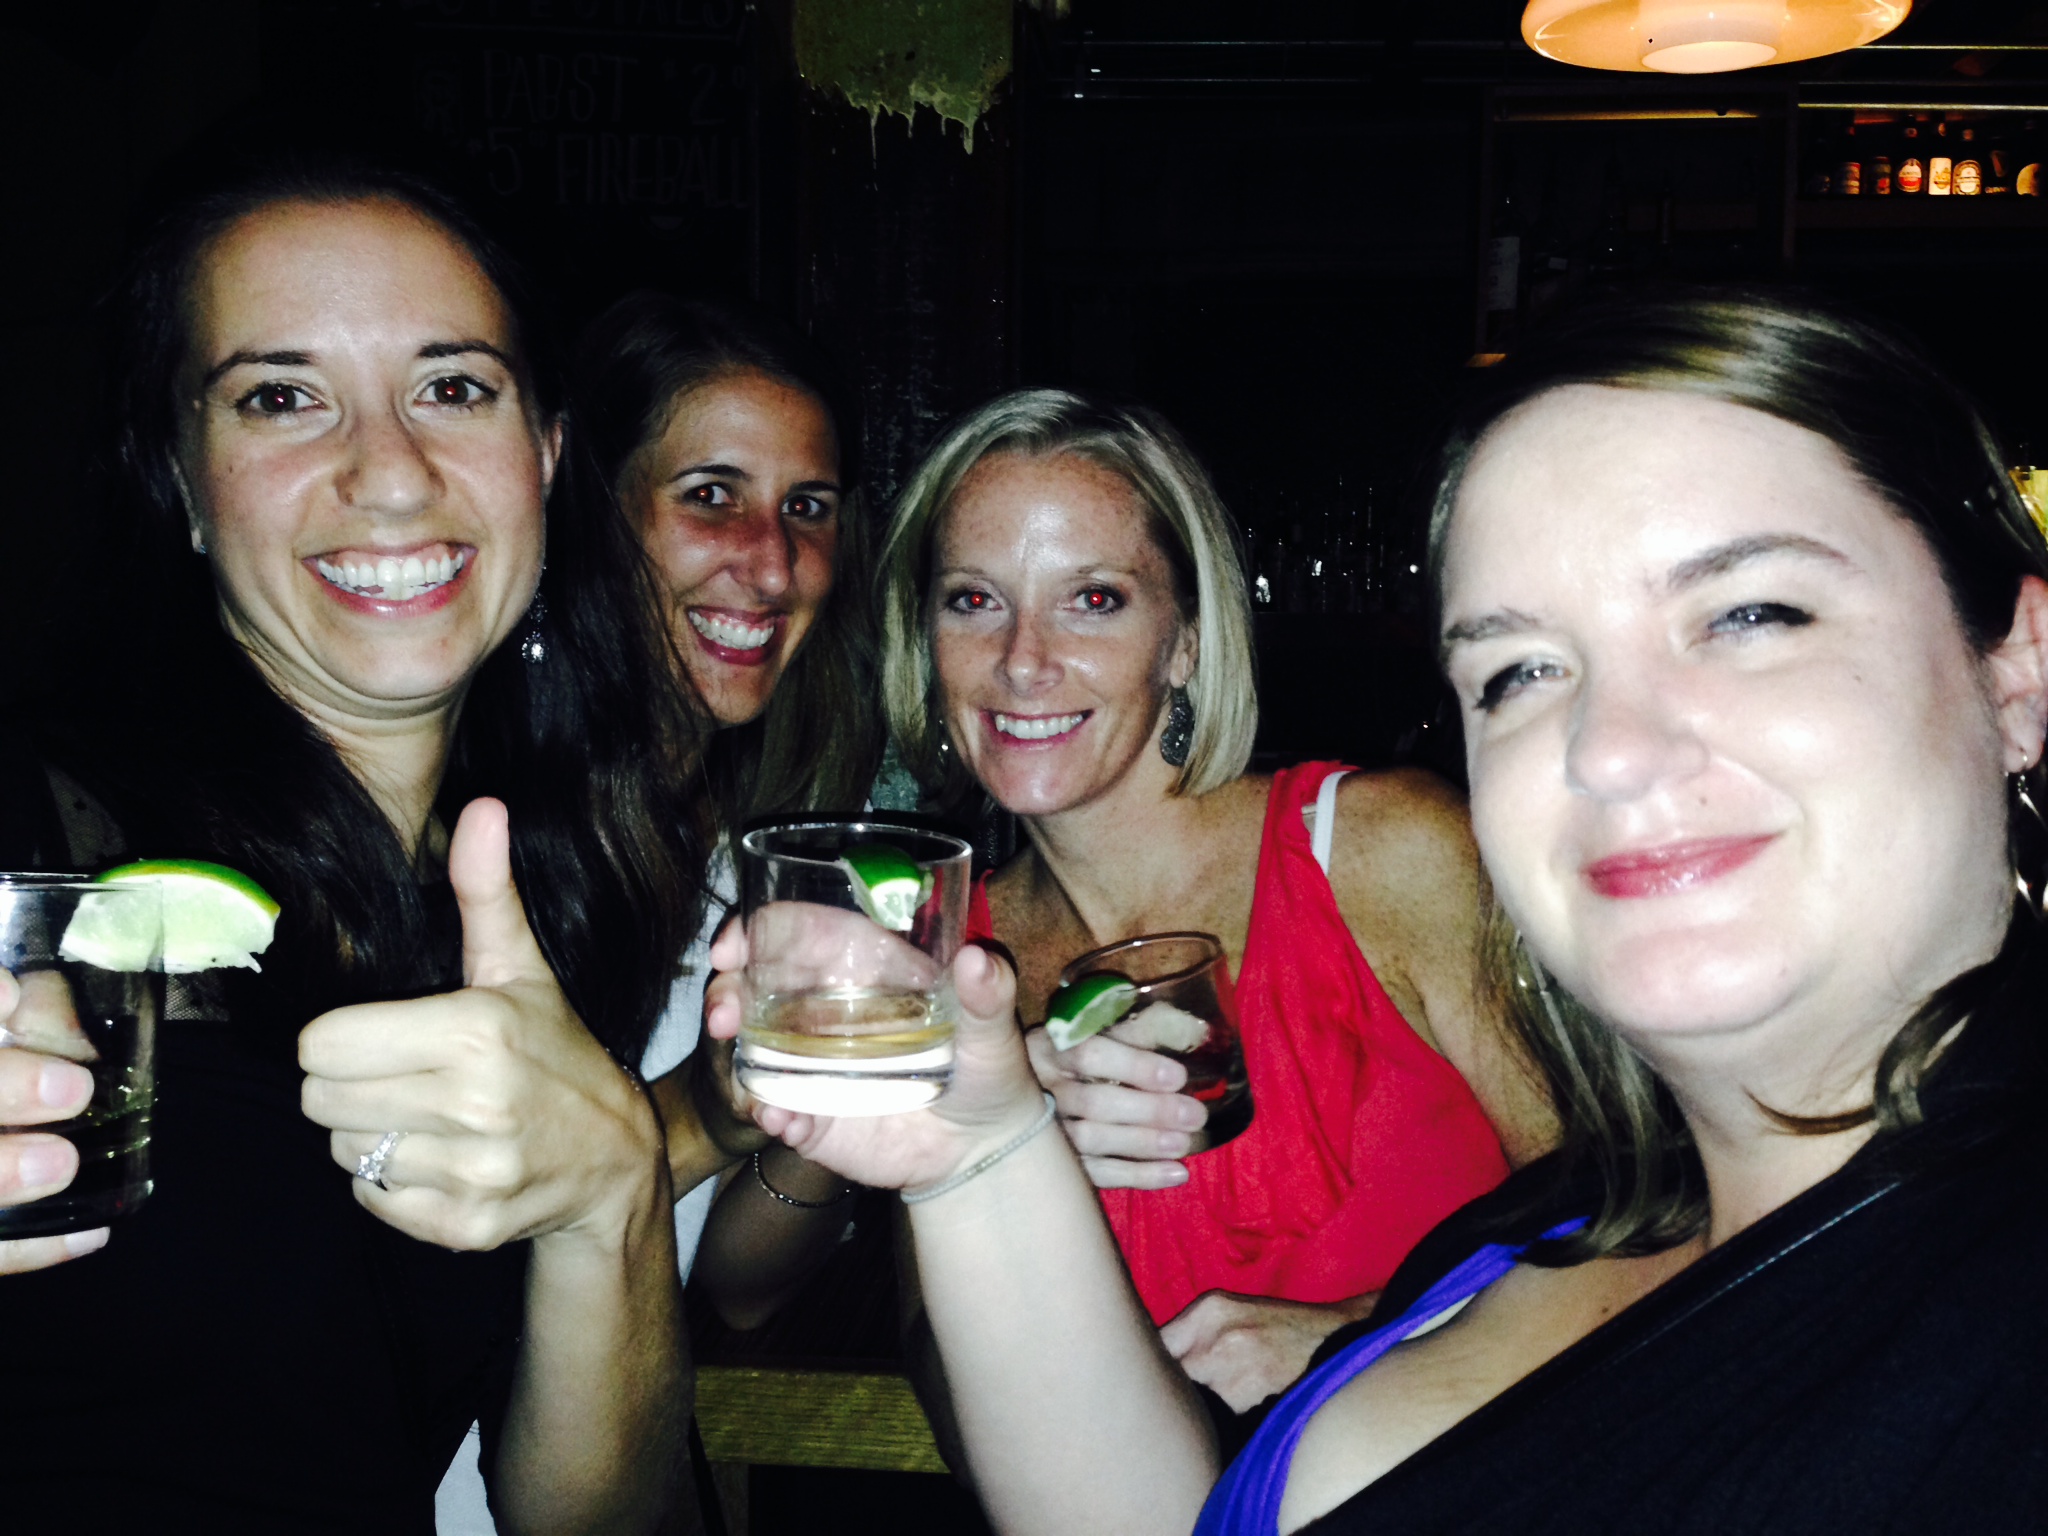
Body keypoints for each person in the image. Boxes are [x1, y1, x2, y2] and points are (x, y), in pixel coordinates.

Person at [708, 287, 2048, 1535]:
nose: (1612, 749)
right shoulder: (1536, 1248)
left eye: (1752, 613)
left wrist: (1348, 1341)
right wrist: (990, 1157)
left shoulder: (1383, 854)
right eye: (1520, 670)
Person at [1, 160, 704, 1532]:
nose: (389, 472)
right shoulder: (33, 838)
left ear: (545, 458)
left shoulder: (547, 886)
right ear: (181, 480)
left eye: (454, 387)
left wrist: (612, 1192)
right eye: (281, 397)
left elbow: (584, 1518)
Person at [874, 389, 1553, 1411]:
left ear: (1184, 640)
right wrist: (1009, 1165)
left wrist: (1361, 1344)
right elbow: (941, 1375)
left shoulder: (1387, 853)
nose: (1021, 660)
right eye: (972, 600)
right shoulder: (941, 963)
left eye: (1092, 599)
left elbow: (1634, 1223)